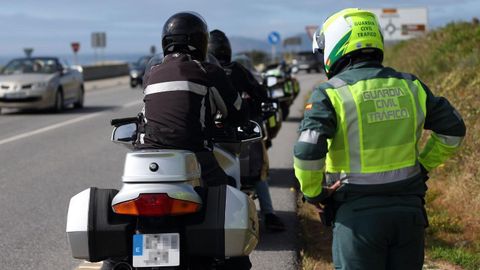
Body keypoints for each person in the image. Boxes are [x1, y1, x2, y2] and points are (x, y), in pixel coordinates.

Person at [293, 8, 466, 270]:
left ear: (336, 45)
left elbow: (307, 150)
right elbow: (453, 130)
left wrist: (313, 192)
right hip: (409, 214)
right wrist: (422, 166)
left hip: (357, 217)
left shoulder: (329, 94)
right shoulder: (411, 85)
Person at [103, 12, 251, 270]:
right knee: (227, 199)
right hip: (193, 154)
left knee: (125, 216)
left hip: (145, 160)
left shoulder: (152, 73)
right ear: (201, 41)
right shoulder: (209, 71)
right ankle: (231, 261)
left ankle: (117, 260)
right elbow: (237, 111)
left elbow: (150, 113)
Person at [208, 29, 286, 232]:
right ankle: (269, 214)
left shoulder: (201, 71)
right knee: (259, 171)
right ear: (226, 50)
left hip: (208, 136)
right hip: (240, 133)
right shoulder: (237, 70)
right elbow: (259, 93)